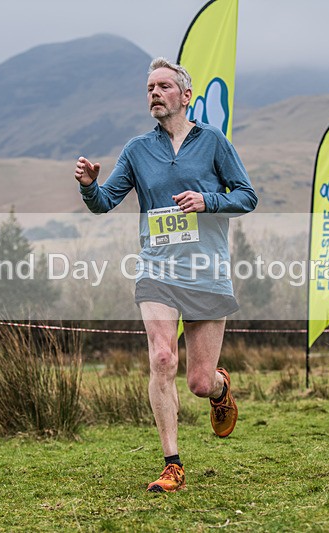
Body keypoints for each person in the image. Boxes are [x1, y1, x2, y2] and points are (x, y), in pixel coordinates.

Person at [74, 57, 257, 492]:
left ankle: (219, 388)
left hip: (206, 270)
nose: (154, 93)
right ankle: (172, 464)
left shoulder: (213, 142)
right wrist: (88, 184)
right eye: (149, 87)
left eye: (163, 86)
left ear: (185, 95)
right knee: (161, 359)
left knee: (196, 380)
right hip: (157, 269)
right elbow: (104, 202)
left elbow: (248, 196)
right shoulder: (137, 150)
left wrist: (207, 201)